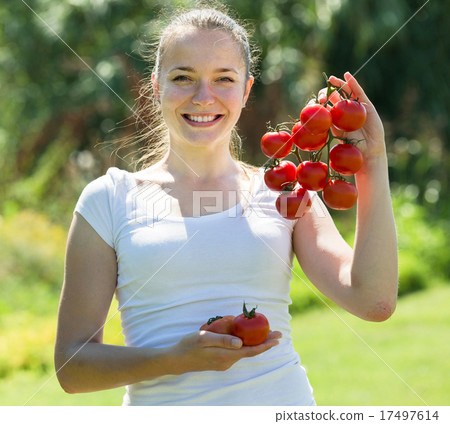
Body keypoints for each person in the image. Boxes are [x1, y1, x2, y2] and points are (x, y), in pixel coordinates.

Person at [54, 6, 398, 406]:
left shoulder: (284, 191)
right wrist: (172, 359)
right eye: (183, 77)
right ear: (156, 86)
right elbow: (72, 367)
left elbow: (373, 301)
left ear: (246, 90)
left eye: (224, 79)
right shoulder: (109, 199)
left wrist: (371, 162)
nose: (204, 96)